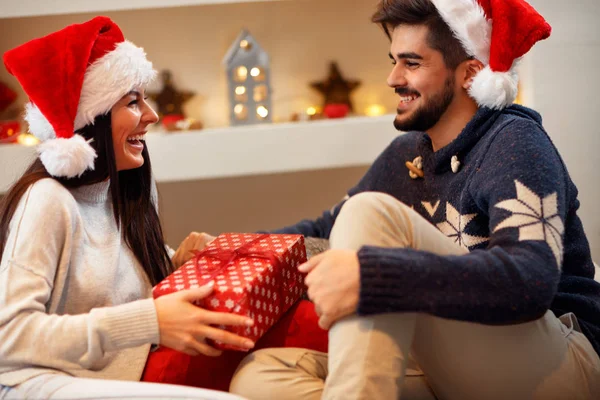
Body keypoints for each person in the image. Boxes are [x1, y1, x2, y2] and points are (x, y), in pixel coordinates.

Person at [226, 0, 600, 399]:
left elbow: (529, 283)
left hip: (561, 363)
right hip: (456, 367)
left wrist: (377, 276)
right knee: (260, 377)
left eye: (411, 63)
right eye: (393, 61)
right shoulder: (407, 155)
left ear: (470, 74)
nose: (391, 78)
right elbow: (322, 232)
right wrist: (224, 250)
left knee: (367, 211)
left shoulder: (514, 141)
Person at [0, 17, 254, 400]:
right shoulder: (49, 200)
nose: (150, 115)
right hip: (41, 383)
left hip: (109, 375)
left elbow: (111, 285)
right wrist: (148, 322)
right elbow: (9, 336)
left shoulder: (122, 191)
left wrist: (174, 264)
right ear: (92, 119)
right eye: (133, 102)